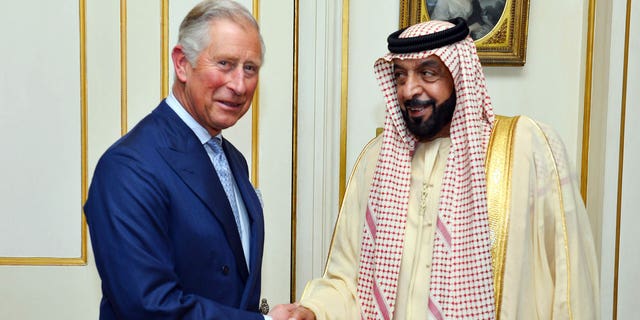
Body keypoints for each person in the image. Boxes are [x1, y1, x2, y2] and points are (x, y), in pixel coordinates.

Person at [286, 18, 600, 319]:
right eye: (400, 76)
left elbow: (570, 284)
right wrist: (314, 309)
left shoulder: (524, 148)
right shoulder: (375, 162)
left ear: (459, 75)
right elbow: (348, 281)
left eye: (428, 73)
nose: (409, 90)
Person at [84, 0, 293, 319]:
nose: (238, 85)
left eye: (249, 68)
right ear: (182, 63)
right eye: (225, 63)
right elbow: (146, 306)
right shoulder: (127, 167)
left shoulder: (231, 158)